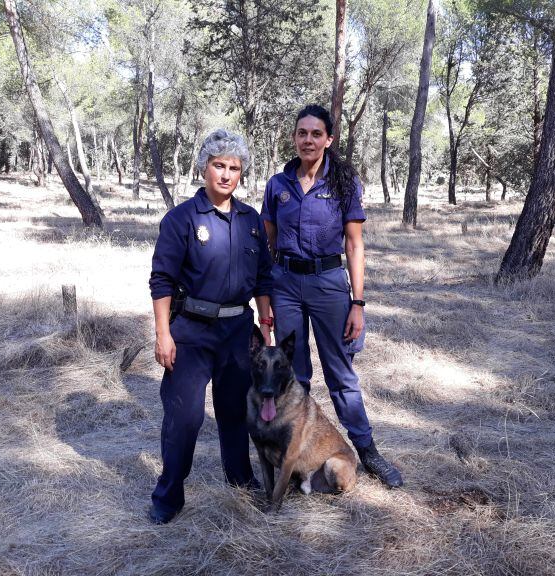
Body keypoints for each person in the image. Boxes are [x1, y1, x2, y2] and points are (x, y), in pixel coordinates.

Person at [261, 104, 403, 488]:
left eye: (315, 133)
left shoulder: (343, 183)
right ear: (294, 137)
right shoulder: (278, 185)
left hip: (328, 285)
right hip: (286, 284)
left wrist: (358, 302)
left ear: (329, 139)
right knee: (295, 374)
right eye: (302, 133)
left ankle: (367, 450)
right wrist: (269, 295)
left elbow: (355, 246)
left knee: (342, 375)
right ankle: (294, 455)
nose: (308, 139)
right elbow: (268, 242)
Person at [148, 129, 274, 524]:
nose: (226, 174)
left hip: (238, 333)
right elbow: (161, 281)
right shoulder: (182, 219)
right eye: (219, 165)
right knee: (185, 418)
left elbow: (264, 281)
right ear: (205, 167)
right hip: (191, 333)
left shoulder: (251, 221)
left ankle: (240, 480)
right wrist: (163, 334)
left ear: (241, 174)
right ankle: (168, 496)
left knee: (236, 413)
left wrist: (266, 327)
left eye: (234, 168)